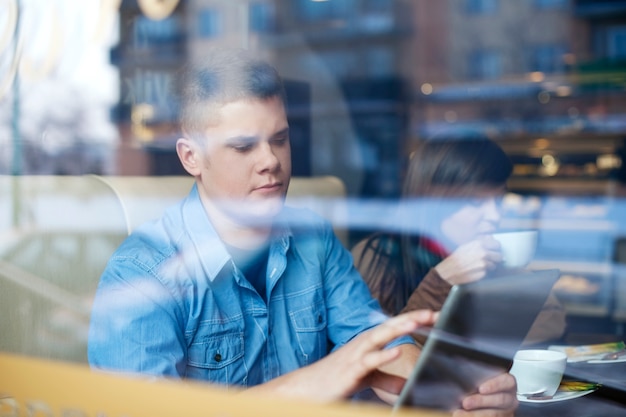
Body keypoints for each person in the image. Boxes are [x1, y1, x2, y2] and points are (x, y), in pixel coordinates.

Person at [87, 48, 517, 414]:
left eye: (279, 139)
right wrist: (325, 377)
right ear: (191, 158)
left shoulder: (313, 237)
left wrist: (460, 393)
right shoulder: (141, 273)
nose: (270, 160)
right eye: (243, 146)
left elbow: (377, 346)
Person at [352, 136, 566, 345]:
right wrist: (440, 283)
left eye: (499, 199)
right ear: (434, 201)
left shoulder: (489, 255)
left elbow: (551, 317)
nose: (494, 215)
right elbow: (377, 356)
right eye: (475, 201)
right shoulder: (379, 256)